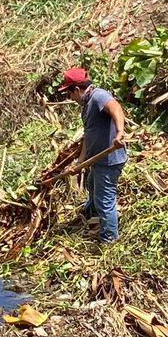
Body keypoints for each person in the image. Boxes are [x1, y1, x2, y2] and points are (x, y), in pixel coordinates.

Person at [57, 67, 127, 243]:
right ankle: (93, 221)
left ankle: (109, 239)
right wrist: (80, 163)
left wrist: (119, 133)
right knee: (92, 188)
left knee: (104, 200)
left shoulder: (98, 96)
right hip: (98, 161)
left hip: (109, 161)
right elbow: (88, 137)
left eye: (69, 94)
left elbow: (116, 108)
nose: (70, 98)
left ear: (77, 89)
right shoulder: (88, 105)